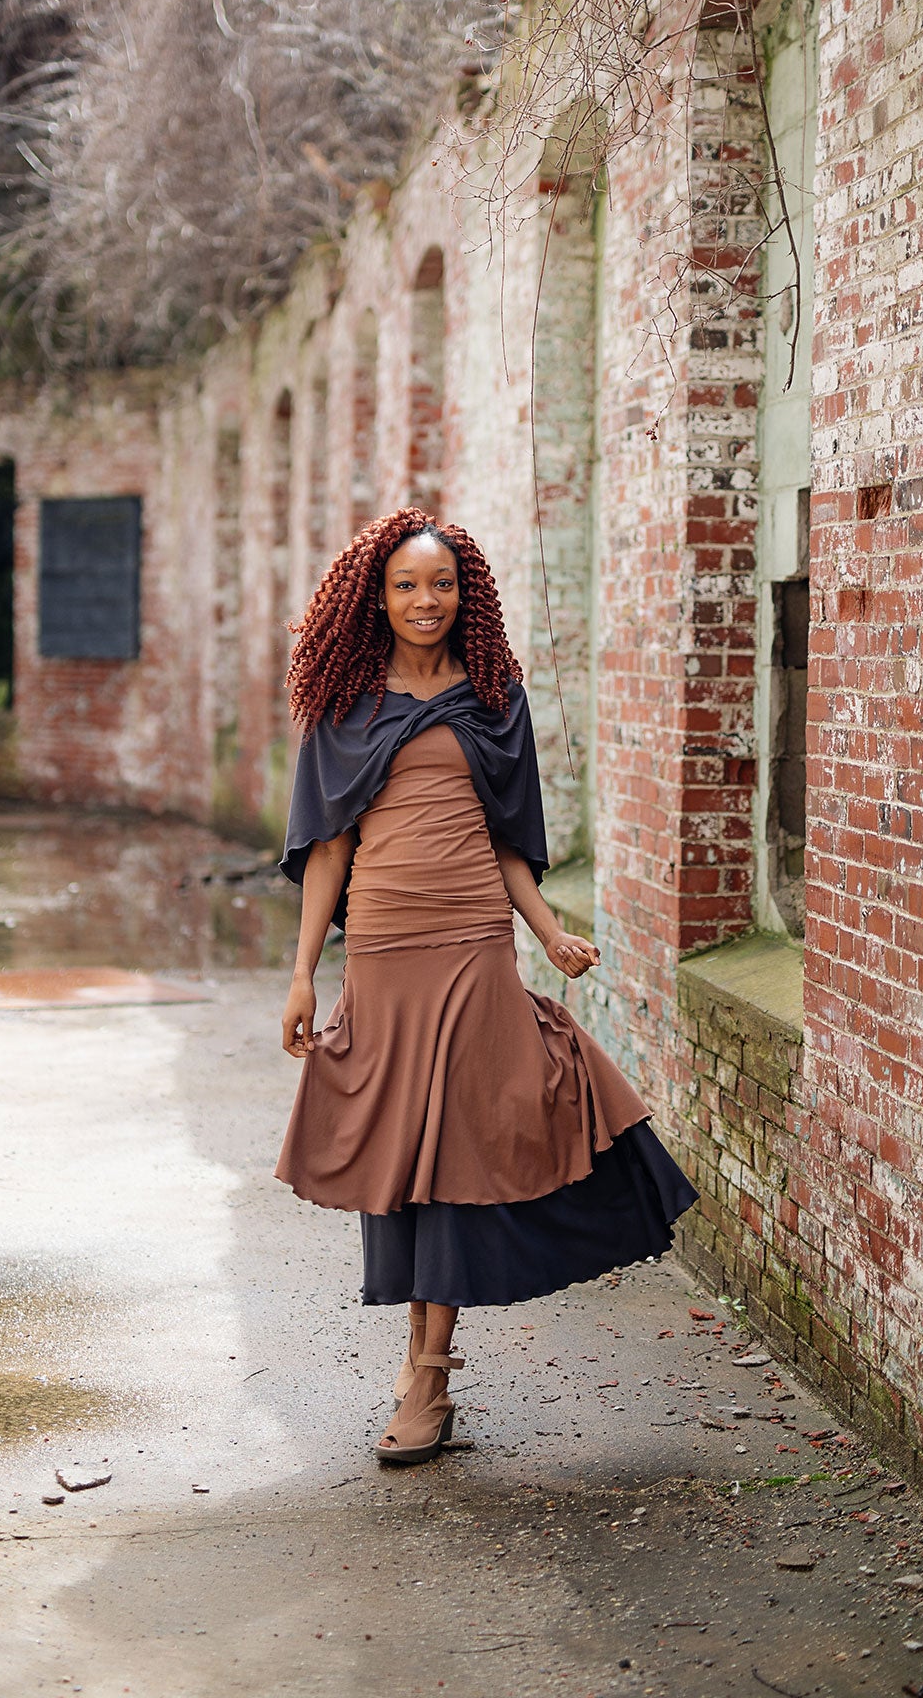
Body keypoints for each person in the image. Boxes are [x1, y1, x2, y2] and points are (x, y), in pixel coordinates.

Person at [276, 507, 697, 1465]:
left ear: (466, 597)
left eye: (442, 585)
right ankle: (421, 1368)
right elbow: (327, 849)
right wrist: (304, 975)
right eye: (405, 586)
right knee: (400, 1151)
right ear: (375, 599)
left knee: (459, 1143)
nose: (426, 602)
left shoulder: (494, 700)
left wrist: (548, 934)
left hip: (472, 940)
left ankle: (427, 1376)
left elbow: (508, 842)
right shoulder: (343, 706)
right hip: (383, 948)